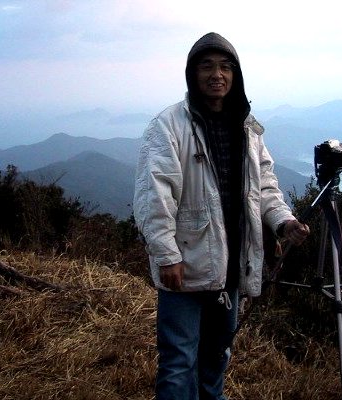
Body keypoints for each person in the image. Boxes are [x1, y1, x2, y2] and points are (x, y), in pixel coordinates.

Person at [133, 32, 310, 400]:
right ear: (192, 74)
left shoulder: (246, 126)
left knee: (216, 355)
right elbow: (154, 195)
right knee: (179, 360)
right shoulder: (169, 125)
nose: (217, 74)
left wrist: (283, 221)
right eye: (207, 67)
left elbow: (264, 187)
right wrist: (166, 255)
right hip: (185, 264)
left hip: (231, 263)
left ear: (236, 75)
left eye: (226, 67)